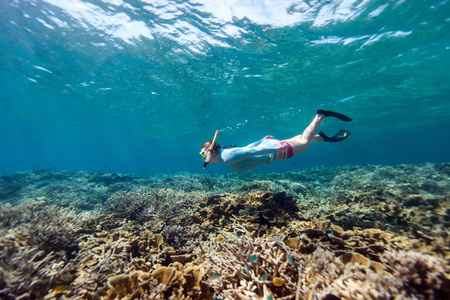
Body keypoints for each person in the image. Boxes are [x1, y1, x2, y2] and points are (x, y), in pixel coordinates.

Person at [199, 109, 352, 173]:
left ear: (210, 151)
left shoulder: (226, 156)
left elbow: (252, 151)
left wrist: (275, 150)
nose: (203, 158)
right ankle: (322, 138)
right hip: (270, 148)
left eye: (202, 154)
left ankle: (320, 116)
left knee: (304, 142)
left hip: (275, 151)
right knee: (299, 139)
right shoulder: (225, 155)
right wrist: (262, 140)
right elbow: (247, 149)